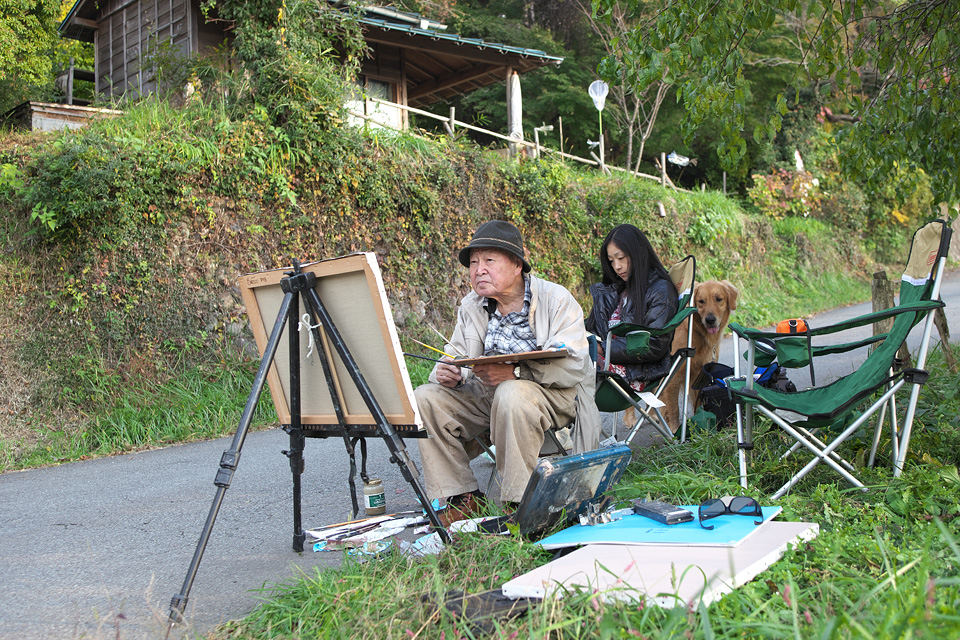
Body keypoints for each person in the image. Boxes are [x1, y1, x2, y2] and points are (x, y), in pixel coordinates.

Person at [415, 220, 599, 525]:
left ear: (517, 264)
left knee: (511, 392)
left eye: (489, 260)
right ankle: (464, 498)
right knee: (425, 397)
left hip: (552, 394)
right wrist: (447, 370)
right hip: (489, 395)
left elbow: (574, 365)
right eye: (474, 263)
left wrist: (515, 372)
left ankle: (521, 505)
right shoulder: (472, 305)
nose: (479, 270)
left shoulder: (556, 300)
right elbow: (455, 352)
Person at [585, 224, 677, 393]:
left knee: (564, 368)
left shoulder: (661, 291)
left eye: (621, 258)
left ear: (638, 253)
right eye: (611, 261)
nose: (617, 266)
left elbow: (654, 344)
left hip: (633, 373)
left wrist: (603, 348)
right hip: (601, 365)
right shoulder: (617, 290)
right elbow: (593, 329)